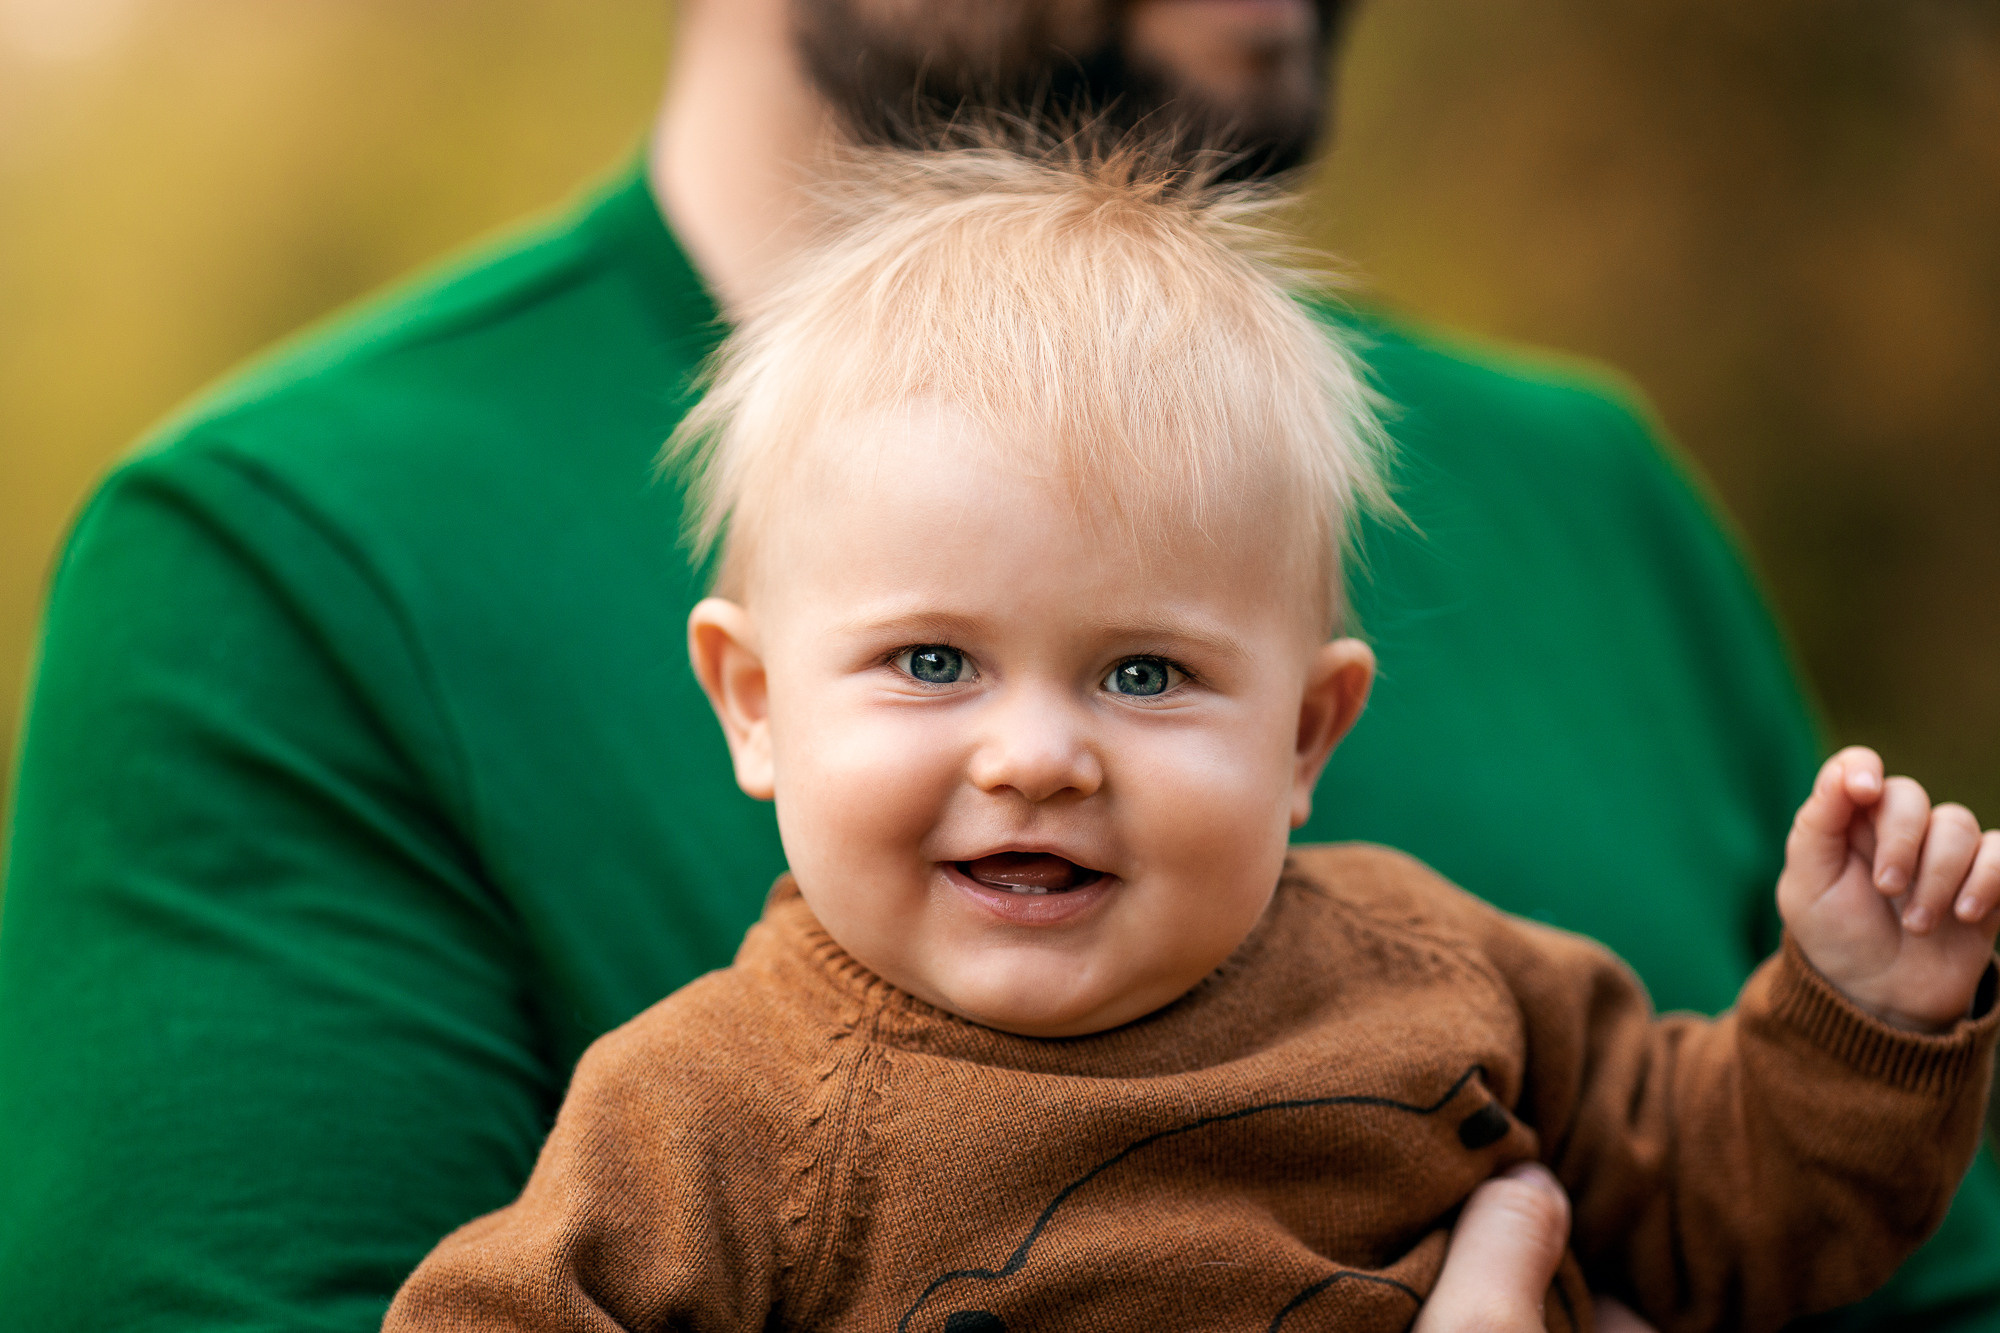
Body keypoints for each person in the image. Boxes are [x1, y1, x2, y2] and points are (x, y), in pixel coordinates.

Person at [1, 1, 1996, 1329]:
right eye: (932, 659)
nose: (1038, 755)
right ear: (749, 697)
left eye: (1149, 677)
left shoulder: (1580, 564)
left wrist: (1861, 1019)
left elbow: (1754, 1181)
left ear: (1317, 728)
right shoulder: (283, 580)